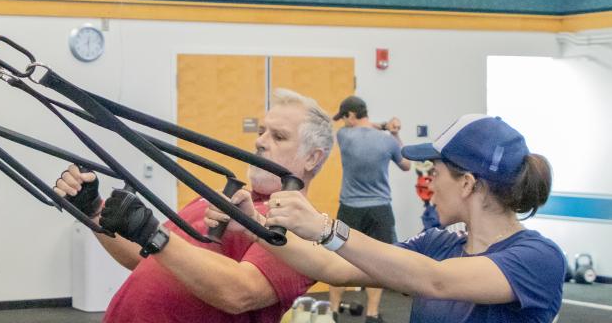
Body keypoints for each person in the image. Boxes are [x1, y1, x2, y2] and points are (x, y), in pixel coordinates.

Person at [208, 114, 565, 322]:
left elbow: (437, 282)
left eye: (434, 171)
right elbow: (334, 269)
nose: (427, 181)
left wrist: (325, 226)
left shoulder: (537, 258)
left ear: (468, 183)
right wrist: (255, 223)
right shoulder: (438, 244)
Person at [54, 88, 334, 322]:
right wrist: (93, 211)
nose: (260, 142)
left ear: (312, 158)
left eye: (279, 136)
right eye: (262, 131)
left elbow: (240, 292)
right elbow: (147, 256)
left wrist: (154, 234)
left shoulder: (297, 228)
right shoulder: (217, 200)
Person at [326, 95, 410, 322]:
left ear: (351, 116)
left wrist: (383, 125)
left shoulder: (344, 136)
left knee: (338, 259)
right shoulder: (388, 141)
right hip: (380, 209)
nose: (342, 123)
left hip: (350, 208)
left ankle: (333, 312)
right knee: (380, 262)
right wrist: (392, 131)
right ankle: (372, 314)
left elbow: (363, 126)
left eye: (344, 118)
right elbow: (406, 165)